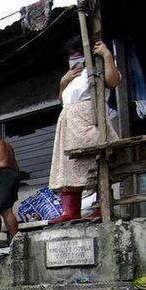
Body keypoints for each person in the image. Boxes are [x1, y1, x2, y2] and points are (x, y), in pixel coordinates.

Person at [49, 36, 120, 224]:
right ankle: (70, 211)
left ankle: (100, 205)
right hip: (68, 123)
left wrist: (106, 55)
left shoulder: (95, 68)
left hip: (88, 120)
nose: (74, 57)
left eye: (77, 53)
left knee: (95, 160)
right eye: (71, 55)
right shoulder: (71, 76)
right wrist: (63, 82)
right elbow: (63, 101)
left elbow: (113, 81)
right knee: (67, 165)